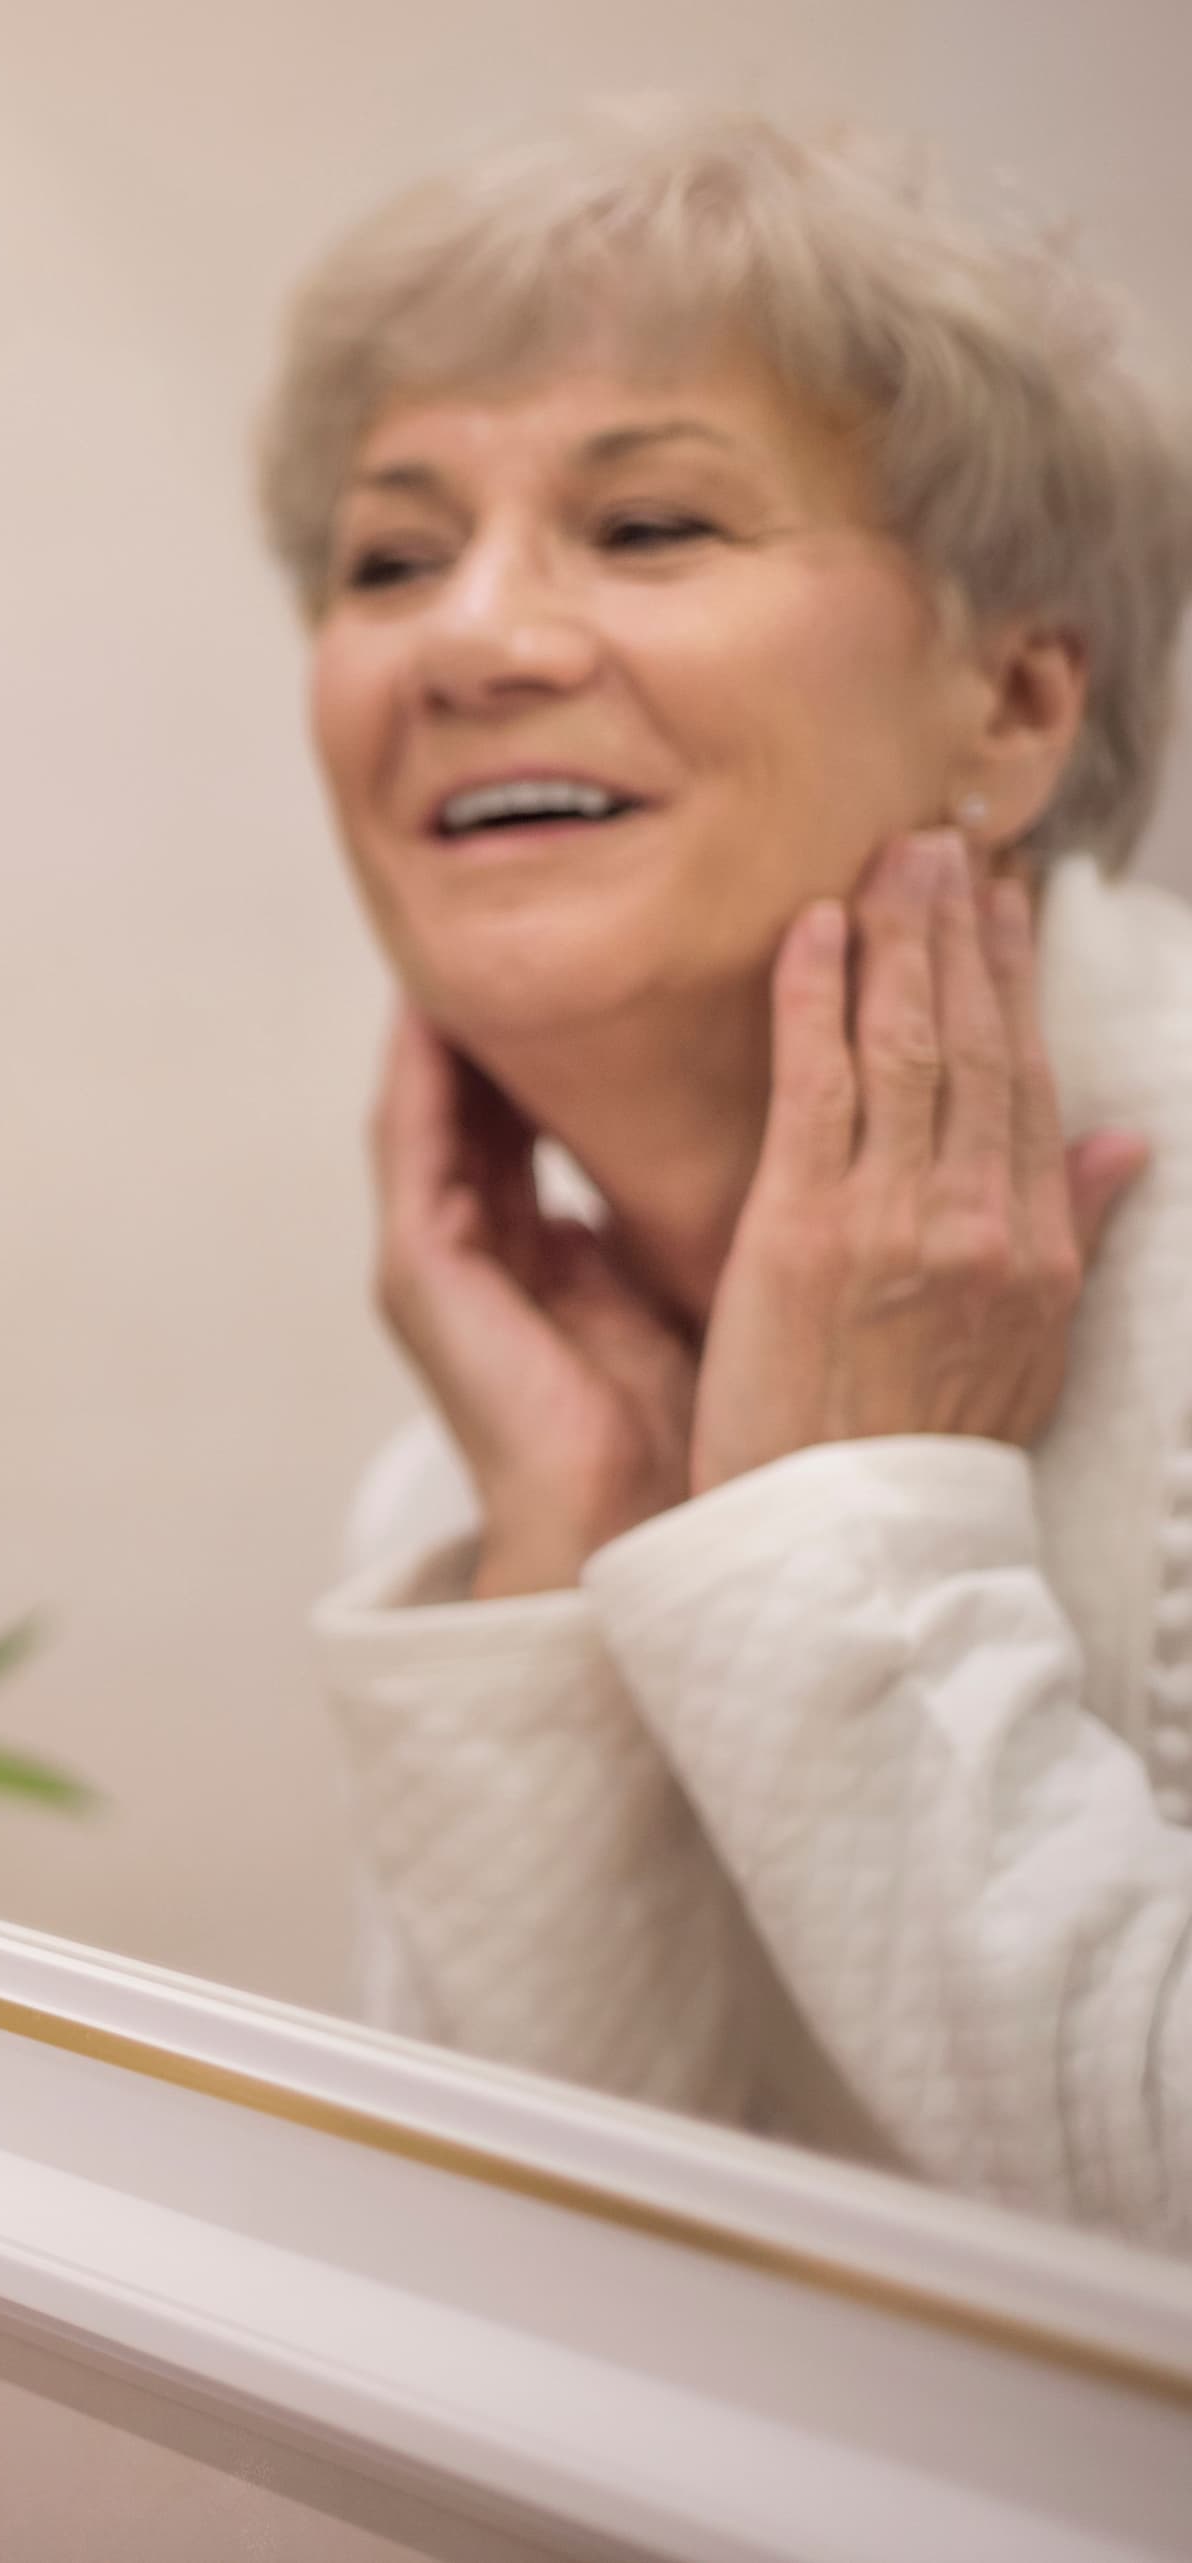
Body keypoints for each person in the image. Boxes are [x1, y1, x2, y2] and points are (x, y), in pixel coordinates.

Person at [274, 107, 1192, 2247]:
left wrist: (833, 1519)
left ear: (1017, 697)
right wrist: (570, 1535)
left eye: (652, 525)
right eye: (390, 556)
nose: (469, 642)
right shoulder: (474, 1458)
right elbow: (544, 2309)